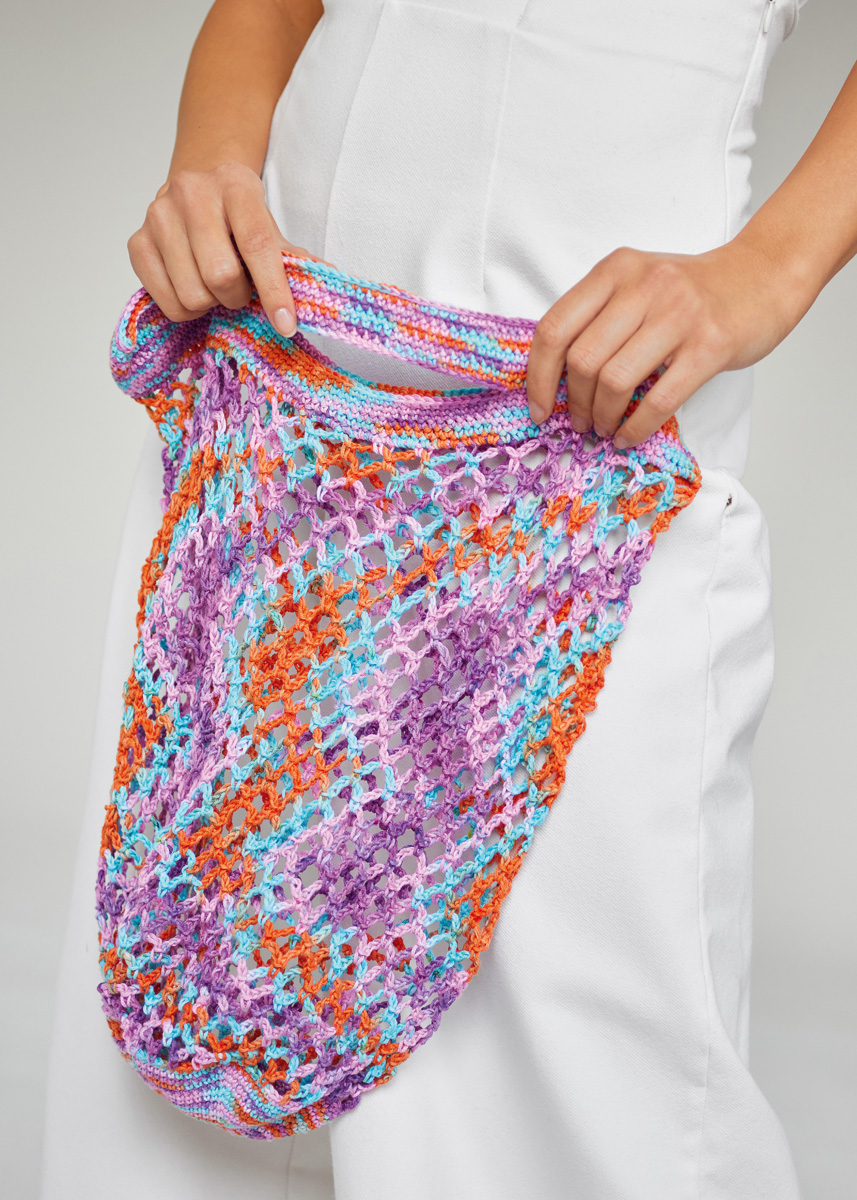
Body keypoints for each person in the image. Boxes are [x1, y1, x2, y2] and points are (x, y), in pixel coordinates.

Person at [39, 2, 857, 1198]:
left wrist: (771, 267)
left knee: (573, 1102)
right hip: (278, 405)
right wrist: (211, 159)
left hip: (594, 406)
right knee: (172, 1042)